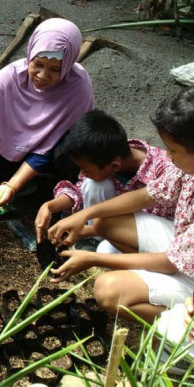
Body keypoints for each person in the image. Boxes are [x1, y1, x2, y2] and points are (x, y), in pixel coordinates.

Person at [47, 88, 194, 323]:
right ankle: (146, 281)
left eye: (173, 150)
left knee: (108, 290)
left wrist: (94, 259)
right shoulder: (186, 170)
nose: (168, 156)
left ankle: (181, 324)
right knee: (106, 221)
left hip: (185, 267)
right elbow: (147, 196)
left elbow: (169, 263)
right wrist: (84, 215)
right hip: (182, 248)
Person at [0, 18, 94, 210]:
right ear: (30, 54)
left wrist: (12, 186)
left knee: (70, 148)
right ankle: (13, 179)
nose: (42, 75)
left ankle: (51, 191)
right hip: (13, 149)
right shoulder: (10, 77)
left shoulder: (77, 88)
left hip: (50, 159)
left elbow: (47, 147)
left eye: (55, 69)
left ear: (67, 65)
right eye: (38, 64)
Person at [35, 109, 174, 252]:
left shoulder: (165, 170)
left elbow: (146, 224)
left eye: (86, 170)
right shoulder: (105, 152)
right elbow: (80, 190)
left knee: (106, 251)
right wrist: (50, 206)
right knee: (93, 184)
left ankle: (98, 242)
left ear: (114, 166)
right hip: (108, 225)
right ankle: (94, 241)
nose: (82, 173)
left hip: (148, 231)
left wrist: (86, 228)